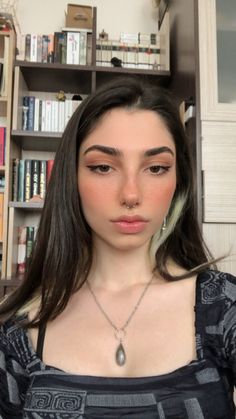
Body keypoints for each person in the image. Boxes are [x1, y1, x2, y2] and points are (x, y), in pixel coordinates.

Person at [0, 77, 235, 419]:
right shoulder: (18, 333)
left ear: (177, 182)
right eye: (103, 167)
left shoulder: (223, 307)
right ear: (72, 180)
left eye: (156, 168)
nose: (130, 194)